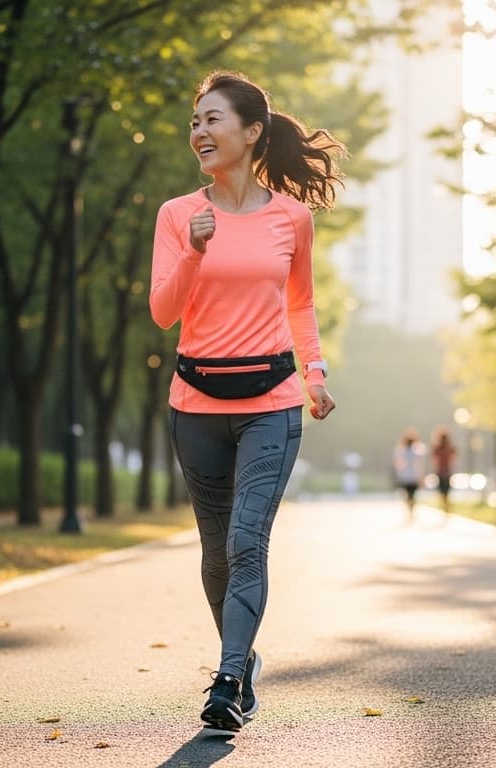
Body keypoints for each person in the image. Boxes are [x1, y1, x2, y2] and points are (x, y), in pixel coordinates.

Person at [149, 69, 343, 733]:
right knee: (214, 554)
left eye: (212, 119)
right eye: (195, 120)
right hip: (195, 401)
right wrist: (196, 252)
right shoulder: (178, 216)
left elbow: (301, 302)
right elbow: (163, 310)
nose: (199, 130)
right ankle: (245, 659)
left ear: (252, 131)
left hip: (272, 401)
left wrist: (314, 371)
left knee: (246, 541)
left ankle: (228, 678)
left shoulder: (292, 218)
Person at [392, 428, 426, 521]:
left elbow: (419, 464)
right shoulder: (403, 450)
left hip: (409, 476)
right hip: (409, 476)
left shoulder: (415, 449)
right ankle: (410, 511)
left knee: (410, 495)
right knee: (410, 495)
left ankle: (411, 510)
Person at [429, 425, 457, 513]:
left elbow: (434, 459)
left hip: (441, 472)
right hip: (447, 472)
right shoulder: (449, 447)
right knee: (446, 491)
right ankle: (446, 507)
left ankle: (445, 506)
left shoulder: (439, 447)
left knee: (443, 491)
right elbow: (454, 458)